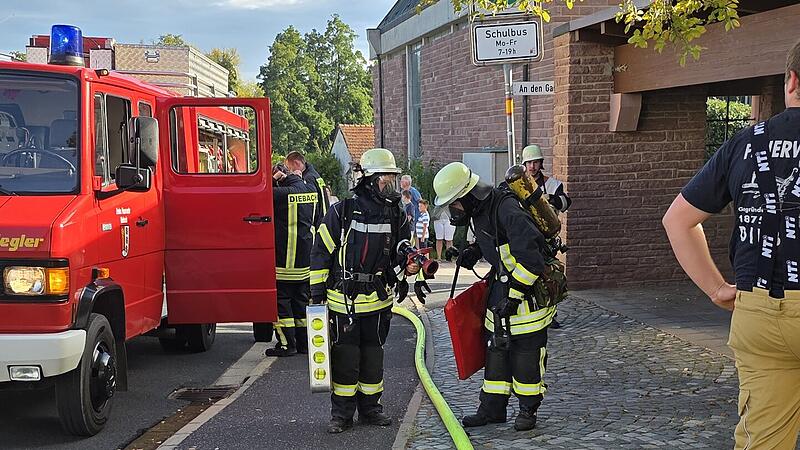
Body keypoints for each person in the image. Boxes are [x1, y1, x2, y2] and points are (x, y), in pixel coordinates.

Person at [663, 41, 800, 450]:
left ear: (791, 80)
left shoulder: (746, 142)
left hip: (759, 311)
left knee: (763, 439)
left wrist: (717, 289)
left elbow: (678, 220)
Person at [433, 161, 555, 432]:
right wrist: (474, 253)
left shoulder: (506, 208)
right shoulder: (481, 211)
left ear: (468, 196)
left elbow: (532, 258)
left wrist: (514, 296)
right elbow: (497, 243)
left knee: (525, 355)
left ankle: (527, 409)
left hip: (527, 298)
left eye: (455, 203)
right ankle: (492, 409)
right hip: (500, 290)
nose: (454, 210)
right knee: (495, 354)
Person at [310, 148, 421, 434]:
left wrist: (407, 268)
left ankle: (371, 409)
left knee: (373, 358)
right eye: (385, 179)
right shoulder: (342, 211)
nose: (390, 185)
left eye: (392, 179)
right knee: (346, 360)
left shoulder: (396, 214)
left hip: (377, 301)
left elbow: (400, 251)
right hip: (342, 302)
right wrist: (315, 296)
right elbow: (321, 253)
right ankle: (342, 415)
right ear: (369, 180)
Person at [262, 163, 317, 357]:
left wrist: (274, 178)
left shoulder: (281, 193)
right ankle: (303, 345)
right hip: (305, 260)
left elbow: (261, 191)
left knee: (282, 304)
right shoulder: (311, 190)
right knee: (301, 304)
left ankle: (287, 345)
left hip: (284, 260)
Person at [521, 144, 570, 329]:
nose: (532, 166)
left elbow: (565, 202)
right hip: (525, 237)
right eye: (529, 163)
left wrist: (549, 198)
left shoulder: (553, 184)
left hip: (546, 238)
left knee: (549, 278)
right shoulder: (518, 185)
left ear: (541, 163)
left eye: (535, 162)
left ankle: (550, 315)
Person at [285, 150, 330, 232]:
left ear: (296, 163)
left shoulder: (307, 179)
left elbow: (309, 206)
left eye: (289, 168)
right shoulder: (314, 174)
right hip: (325, 217)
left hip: (317, 222)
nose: (290, 172)